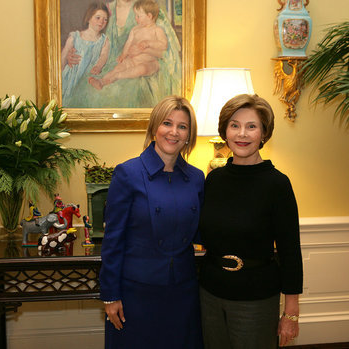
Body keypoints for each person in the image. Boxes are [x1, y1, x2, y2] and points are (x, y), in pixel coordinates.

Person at [99, 95, 204, 349]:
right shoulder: (128, 173)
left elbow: (202, 232)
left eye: (182, 126)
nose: (174, 132)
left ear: (189, 135)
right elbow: (113, 240)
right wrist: (110, 295)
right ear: (154, 128)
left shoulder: (197, 178)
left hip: (183, 291)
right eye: (167, 123)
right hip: (137, 293)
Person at [198, 94, 303, 348]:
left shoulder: (277, 184)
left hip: (255, 299)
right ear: (224, 131)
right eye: (234, 125)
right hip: (210, 294)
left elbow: (290, 252)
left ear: (264, 133)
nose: (241, 134)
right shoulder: (213, 179)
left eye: (251, 126)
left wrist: (291, 313)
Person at [65, 0, 181, 108]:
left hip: (146, 68)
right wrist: (74, 52)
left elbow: (166, 53)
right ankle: (102, 81)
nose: (136, 18)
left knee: (126, 91)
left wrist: (145, 49)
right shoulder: (106, 10)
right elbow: (93, 40)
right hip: (111, 63)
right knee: (88, 89)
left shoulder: (146, 6)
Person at [89, 0, 168, 89]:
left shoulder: (157, 30)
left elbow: (163, 45)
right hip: (132, 60)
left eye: (138, 16)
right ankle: (102, 81)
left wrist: (148, 44)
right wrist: (123, 54)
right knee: (119, 67)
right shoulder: (135, 29)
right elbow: (128, 43)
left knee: (142, 69)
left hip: (149, 62)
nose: (136, 18)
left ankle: (118, 76)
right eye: (135, 15)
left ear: (149, 16)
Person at [61, 2, 110, 104]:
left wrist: (99, 66)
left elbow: (104, 56)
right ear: (88, 18)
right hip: (72, 75)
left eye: (105, 20)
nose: (101, 22)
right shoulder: (75, 37)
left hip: (89, 75)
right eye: (98, 18)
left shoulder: (104, 40)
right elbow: (64, 56)